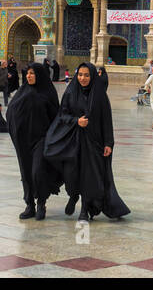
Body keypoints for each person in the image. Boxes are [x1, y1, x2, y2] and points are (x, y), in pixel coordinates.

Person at [44, 63, 129, 222]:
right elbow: (62, 115)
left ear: (92, 76)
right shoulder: (70, 91)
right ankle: (73, 195)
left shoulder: (99, 95)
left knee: (88, 177)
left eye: (86, 75)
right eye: (80, 75)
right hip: (72, 141)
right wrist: (76, 121)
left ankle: (84, 209)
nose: (83, 78)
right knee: (70, 174)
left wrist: (108, 143)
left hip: (93, 142)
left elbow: (106, 120)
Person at [8, 63, 62, 220]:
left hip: (41, 139)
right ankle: (29, 204)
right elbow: (11, 111)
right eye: (27, 73)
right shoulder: (22, 92)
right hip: (23, 141)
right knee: (26, 173)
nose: (29, 76)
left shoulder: (48, 92)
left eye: (32, 73)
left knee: (37, 171)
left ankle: (41, 203)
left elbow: (56, 116)